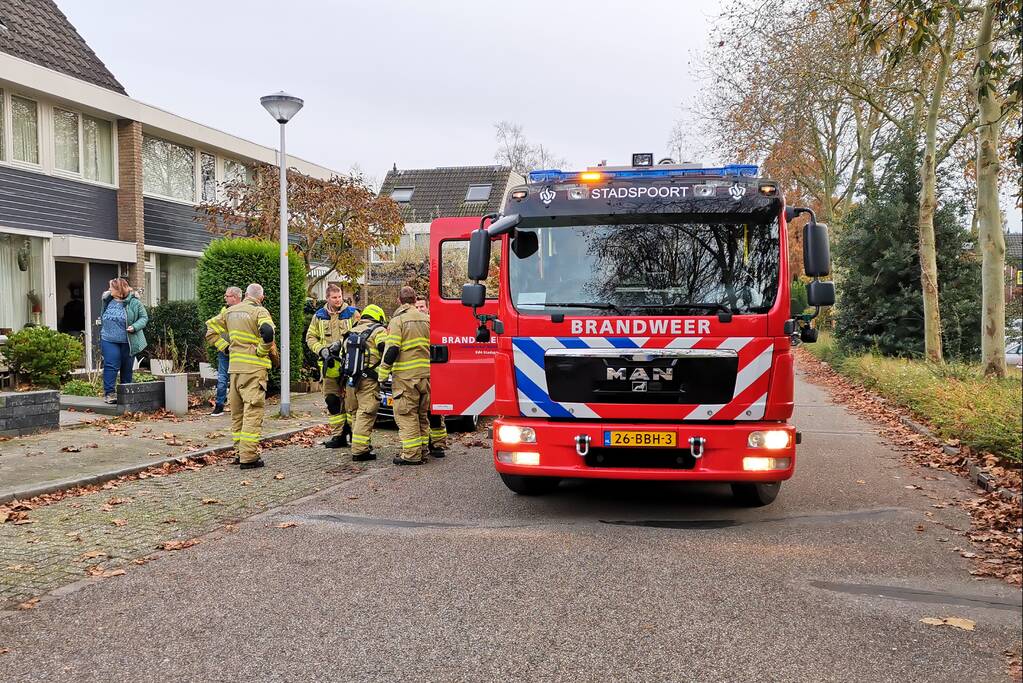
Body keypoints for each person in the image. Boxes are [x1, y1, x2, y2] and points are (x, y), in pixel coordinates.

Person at [205, 283, 275, 469]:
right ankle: (249, 457)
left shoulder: (229, 312)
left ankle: (238, 453)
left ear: (244, 295)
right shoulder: (259, 311)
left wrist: (225, 347)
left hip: (234, 370)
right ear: (261, 296)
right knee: (252, 412)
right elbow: (268, 332)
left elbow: (209, 330)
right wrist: (261, 351)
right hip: (254, 370)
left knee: (237, 414)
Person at [378, 287, 431, 465]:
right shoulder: (428, 319)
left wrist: (383, 374)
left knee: (406, 415)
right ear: (415, 299)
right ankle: (423, 451)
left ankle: (411, 455)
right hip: (427, 376)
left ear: (399, 301)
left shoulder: (397, 321)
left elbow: (392, 349)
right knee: (422, 415)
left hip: (406, 378)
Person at [306, 284, 360, 448]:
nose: (338, 300)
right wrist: (321, 350)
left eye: (340, 297)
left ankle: (353, 432)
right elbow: (310, 337)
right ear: (328, 298)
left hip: (349, 364)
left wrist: (342, 343)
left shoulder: (352, 313)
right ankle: (339, 435)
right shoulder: (319, 315)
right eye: (334, 297)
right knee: (332, 399)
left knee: (351, 401)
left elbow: (360, 333)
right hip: (329, 366)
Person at [346, 304, 389, 461]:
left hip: (351, 380)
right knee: (366, 412)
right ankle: (360, 450)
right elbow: (386, 347)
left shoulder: (352, 330)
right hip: (369, 380)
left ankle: (360, 444)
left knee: (355, 412)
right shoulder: (379, 330)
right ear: (379, 317)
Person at [100, 278, 148, 404]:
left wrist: (135, 326)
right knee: (111, 364)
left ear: (119, 290)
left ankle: (125, 393)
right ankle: (109, 393)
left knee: (126, 367)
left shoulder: (134, 302)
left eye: (111, 287)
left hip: (128, 340)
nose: (109, 289)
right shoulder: (107, 299)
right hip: (108, 339)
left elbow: (144, 318)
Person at [415, 295, 447, 457]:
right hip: (418, 375)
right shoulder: (411, 325)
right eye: (417, 307)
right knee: (420, 412)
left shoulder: (433, 325)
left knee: (434, 412)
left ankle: (438, 445)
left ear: (427, 308)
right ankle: (423, 445)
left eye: (422, 307)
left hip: (433, 374)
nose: (419, 309)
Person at [205, 286, 243, 416]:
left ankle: (238, 406)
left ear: (235, 297)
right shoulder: (224, 313)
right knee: (222, 379)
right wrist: (224, 347)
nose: (225, 298)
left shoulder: (244, 312)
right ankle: (219, 405)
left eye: (227, 296)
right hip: (225, 352)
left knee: (238, 380)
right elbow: (211, 332)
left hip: (240, 353)